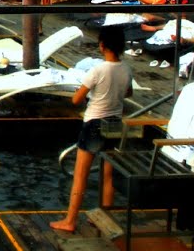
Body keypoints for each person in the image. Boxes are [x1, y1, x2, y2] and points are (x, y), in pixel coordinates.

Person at [50, 27, 133, 233]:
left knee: (80, 176)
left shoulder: (98, 70)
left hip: (94, 123)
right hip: (114, 123)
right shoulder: (126, 69)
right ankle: (104, 217)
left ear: (102, 45)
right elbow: (128, 92)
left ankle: (70, 221)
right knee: (108, 176)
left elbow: (76, 99)